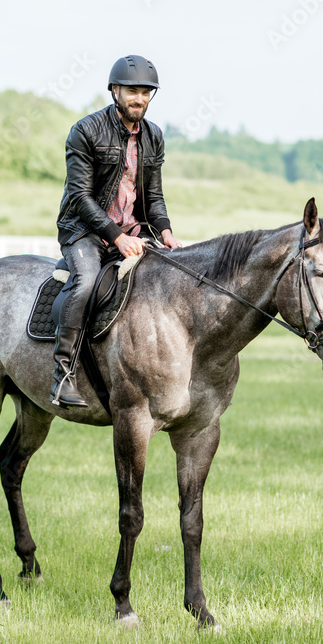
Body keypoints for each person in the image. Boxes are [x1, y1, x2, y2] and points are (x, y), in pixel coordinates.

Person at [50, 54, 182, 408]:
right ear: (114, 91)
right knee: (88, 281)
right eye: (132, 91)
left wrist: (166, 232)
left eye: (146, 92)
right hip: (83, 231)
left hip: (134, 231)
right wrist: (116, 236)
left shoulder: (153, 136)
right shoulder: (86, 130)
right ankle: (62, 373)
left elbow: (153, 195)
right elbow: (79, 195)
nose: (139, 99)